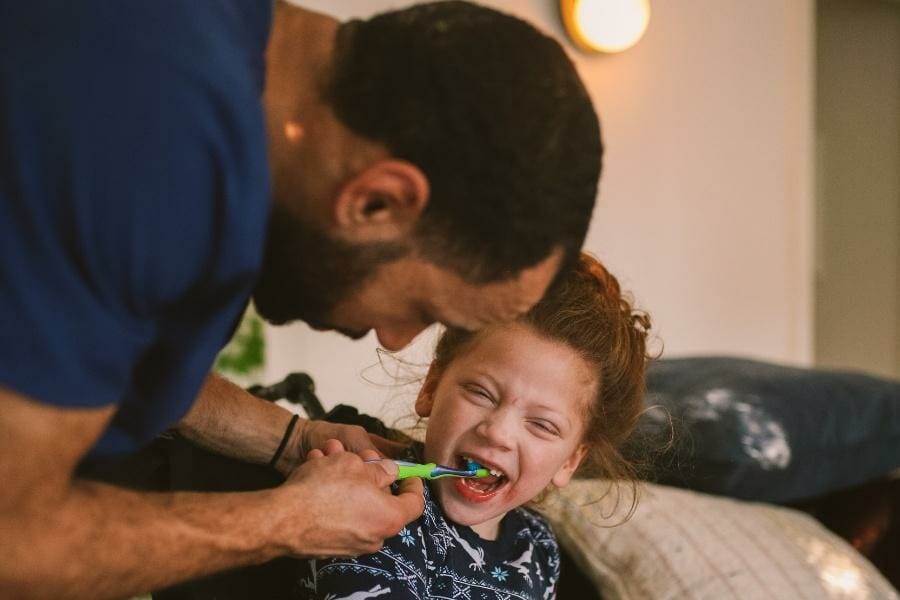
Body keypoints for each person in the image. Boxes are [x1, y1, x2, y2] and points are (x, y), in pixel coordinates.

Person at [0, 1, 603, 597]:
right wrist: (284, 523)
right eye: (424, 311)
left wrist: (290, 439)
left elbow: (109, 361)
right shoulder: (156, 160)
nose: (393, 339)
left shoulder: (214, 44)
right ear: (377, 202)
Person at [295, 254, 651, 599]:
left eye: (542, 425)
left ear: (569, 462)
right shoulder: (379, 503)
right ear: (432, 387)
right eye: (481, 393)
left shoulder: (538, 547)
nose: (498, 432)